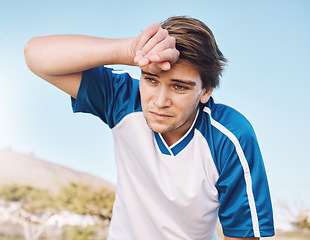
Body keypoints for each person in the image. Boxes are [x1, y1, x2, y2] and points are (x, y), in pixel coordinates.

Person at [24, 16, 274, 240]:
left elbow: (243, 236)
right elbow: (35, 54)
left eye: (179, 87)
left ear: (205, 90)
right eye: (151, 79)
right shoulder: (123, 98)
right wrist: (130, 49)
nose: (159, 101)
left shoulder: (230, 136)